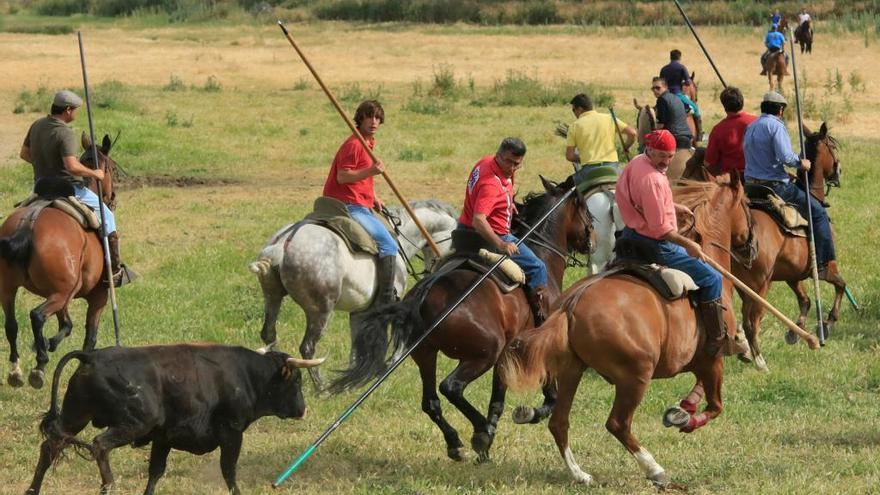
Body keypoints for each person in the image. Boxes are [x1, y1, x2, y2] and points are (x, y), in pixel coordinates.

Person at [616, 129, 747, 357]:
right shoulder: (654, 180)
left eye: (670, 156)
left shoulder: (637, 162)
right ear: (650, 149)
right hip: (656, 245)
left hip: (630, 235)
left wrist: (673, 206)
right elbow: (661, 230)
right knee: (712, 277)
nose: (666, 161)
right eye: (661, 155)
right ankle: (716, 340)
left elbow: (636, 199)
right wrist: (688, 245)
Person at [20, 90, 133, 287]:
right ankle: (114, 270)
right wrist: (95, 174)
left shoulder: (36, 125)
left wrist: (44, 165)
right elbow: (72, 166)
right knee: (108, 217)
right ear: (68, 110)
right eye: (75, 111)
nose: (76, 114)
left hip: (40, 186)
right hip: (67, 189)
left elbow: (24, 154)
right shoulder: (65, 133)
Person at [743, 91, 841, 282]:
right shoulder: (776, 126)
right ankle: (824, 264)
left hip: (751, 185)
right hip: (776, 187)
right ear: (780, 110)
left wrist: (776, 170)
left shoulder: (751, 126)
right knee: (819, 213)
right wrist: (801, 163)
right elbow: (785, 156)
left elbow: (757, 156)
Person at [458, 138, 549, 324]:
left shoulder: (486, 161)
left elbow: (507, 182)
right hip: (490, 235)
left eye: (517, 164)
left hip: (462, 230)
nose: (512, 168)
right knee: (538, 267)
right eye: (509, 162)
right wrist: (501, 244)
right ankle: (540, 319)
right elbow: (479, 220)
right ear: (499, 155)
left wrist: (508, 204)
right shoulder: (490, 184)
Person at [322, 99, 398, 305]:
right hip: (350, 206)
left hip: (361, 202)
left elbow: (360, 180)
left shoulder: (368, 142)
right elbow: (343, 177)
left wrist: (373, 197)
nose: (374, 122)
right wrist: (372, 171)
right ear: (360, 118)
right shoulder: (355, 144)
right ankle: (386, 298)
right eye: (369, 117)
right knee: (389, 245)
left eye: (377, 118)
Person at [565, 93, 636, 167]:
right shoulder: (609, 118)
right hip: (612, 167)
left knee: (572, 179)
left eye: (573, 110)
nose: (574, 113)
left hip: (589, 168)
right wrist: (625, 147)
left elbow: (570, 156)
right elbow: (632, 133)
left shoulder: (574, 126)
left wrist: (582, 159)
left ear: (579, 109)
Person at [704, 87, 758, 175]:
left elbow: (709, 162)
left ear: (724, 106)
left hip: (731, 180)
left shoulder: (718, 129)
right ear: (742, 102)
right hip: (757, 176)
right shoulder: (758, 122)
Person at [651, 77, 692, 150]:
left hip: (674, 138)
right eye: (653, 88)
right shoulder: (676, 98)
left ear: (665, 87)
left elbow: (661, 124)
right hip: (687, 137)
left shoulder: (661, 100)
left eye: (658, 88)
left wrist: (651, 133)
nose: (655, 91)